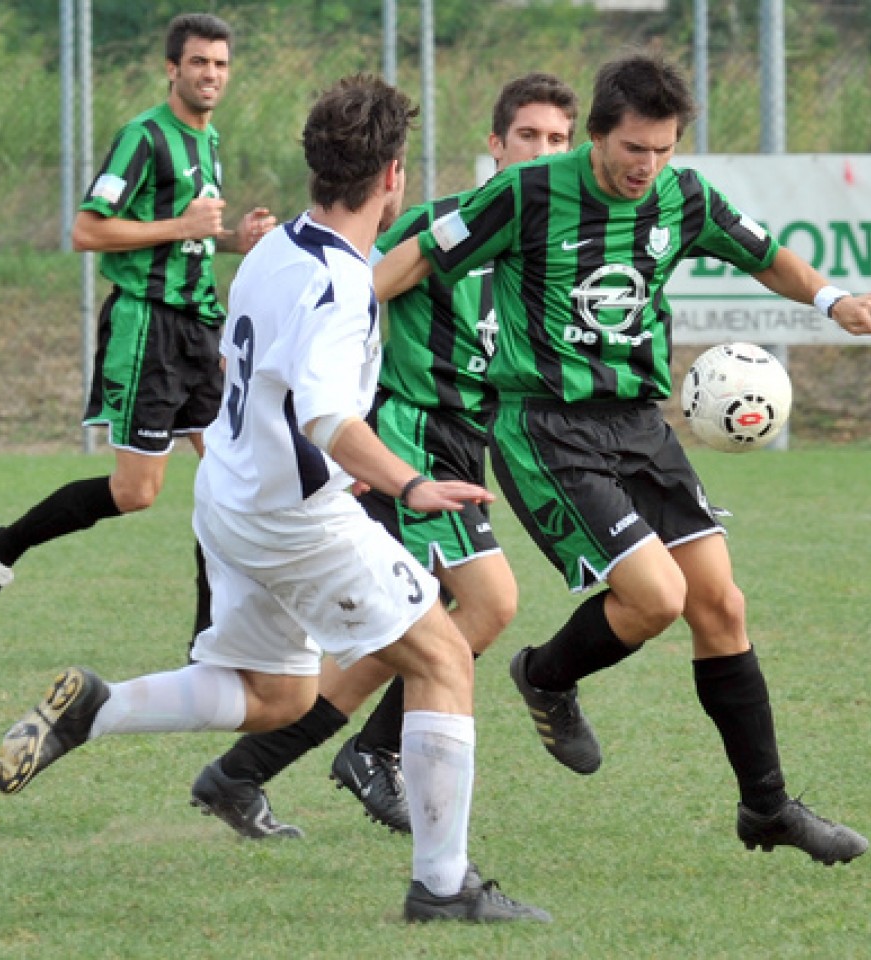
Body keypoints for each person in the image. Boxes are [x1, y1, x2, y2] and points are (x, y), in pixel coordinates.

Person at [0, 74, 550, 925]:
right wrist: (406, 479)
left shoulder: (273, 248)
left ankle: (99, 711)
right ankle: (445, 888)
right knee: (442, 657)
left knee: (276, 695)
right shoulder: (342, 284)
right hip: (296, 522)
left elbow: (261, 376)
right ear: (393, 176)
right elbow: (327, 414)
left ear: (317, 165)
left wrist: (325, 455)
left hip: (230, 496)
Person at [376, 52, 871, 866]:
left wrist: (835, 300)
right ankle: (546, 675)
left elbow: (763, 253)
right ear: (596, 137)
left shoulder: (681, 199)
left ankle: (767, 808)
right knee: (656, 597)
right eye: (634, 149)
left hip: (639, 426)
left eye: (663, 149)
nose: (648, 167)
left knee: (720, 605)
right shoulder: (528, 193)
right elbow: (416, 257)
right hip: (547, 427)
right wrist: (326, 311)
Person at [188, 73, 580, 840]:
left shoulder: (553, 252)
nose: (542, 152)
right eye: (527, 136)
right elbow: (356, 290)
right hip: (406, 437)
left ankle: (249, 770)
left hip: (465, 442)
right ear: (495, 146)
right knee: (484, 606)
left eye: (558, 141)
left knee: (404, 635)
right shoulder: (444, 227)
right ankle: (371, 756)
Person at [0, 12, 277, 648]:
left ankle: (207, 642)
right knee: (136, 492)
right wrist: (183, 228)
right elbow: (88, 231)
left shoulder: (207, 140)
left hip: (198, 330)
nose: (211, 74)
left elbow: (184, 231)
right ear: (171, 69)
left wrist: (231, 240)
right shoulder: (144, 137)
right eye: (198, 63)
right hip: (146, 329)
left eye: (221, 64)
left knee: (232, 482)